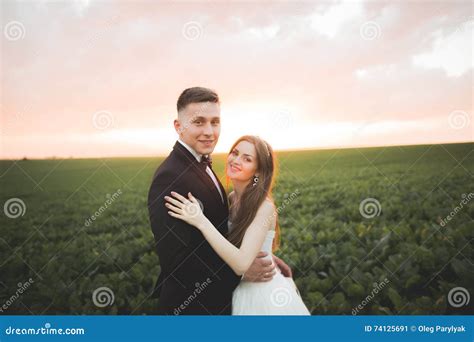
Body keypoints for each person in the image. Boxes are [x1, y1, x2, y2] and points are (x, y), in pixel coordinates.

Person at [147, 87, 292, 315]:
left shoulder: (203, 162)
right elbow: (176, 262)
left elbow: (225, 230)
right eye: (199, 122)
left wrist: (266, 259)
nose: (209, 131)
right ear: (178, 126)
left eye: (215, 122)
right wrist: (241, 272)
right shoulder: (171, 177)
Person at [165, 135, 310, 315]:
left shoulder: (264, 207)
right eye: (235, 153)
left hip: (262, 295)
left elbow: (241, 263)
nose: (236, 160)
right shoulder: (232, 198)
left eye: (247, 159)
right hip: (236, 289)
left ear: (258, 172)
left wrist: (201, 221)